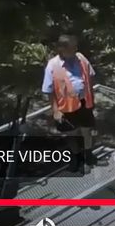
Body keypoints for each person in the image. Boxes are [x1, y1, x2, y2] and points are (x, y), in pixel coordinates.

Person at [41, 34, 97, 172]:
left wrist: (91, 97)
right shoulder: (52, 65)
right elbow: (49, 90)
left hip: (83, 102)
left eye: (75, 47)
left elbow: (90, 76)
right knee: (71, 133)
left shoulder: (81, 58)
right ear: (62, 49)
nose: (75, 50)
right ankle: (76, 157)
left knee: (86, 130)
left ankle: (88, 155)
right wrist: (55, 110)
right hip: (66, 106)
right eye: (72, 48)